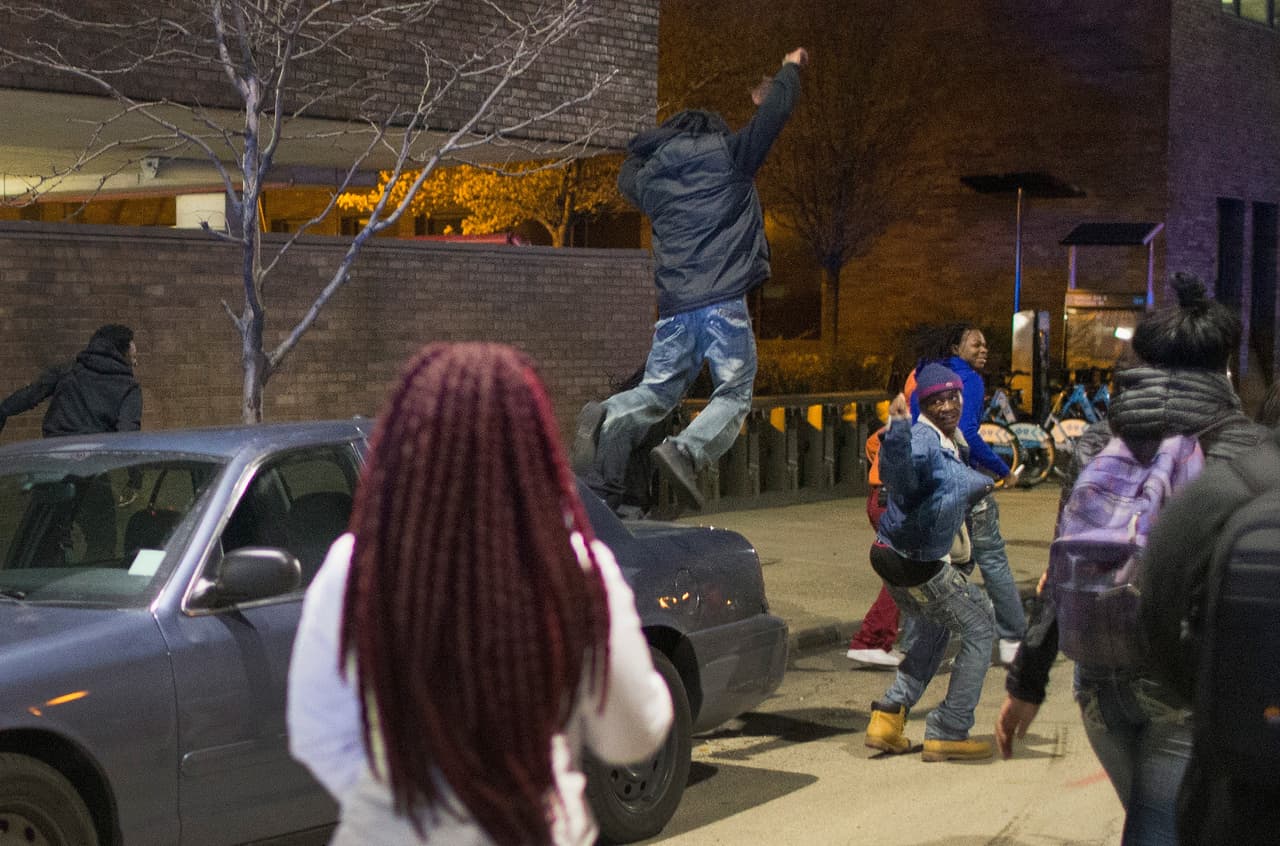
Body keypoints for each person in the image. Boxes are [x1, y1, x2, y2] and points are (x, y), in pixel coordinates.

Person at [286, 342, 674, 846]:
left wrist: (400, 799)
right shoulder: (576, 569)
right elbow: (633, 734)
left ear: (405, 446)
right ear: (533, 450)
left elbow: (316, 731)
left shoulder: (354, 567)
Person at [996, 272, 1267, 844]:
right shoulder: (1244, 444)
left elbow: (1062, 567)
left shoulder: (1099, 442)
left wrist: (1027, 682)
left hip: (1099, 673)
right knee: (1162, 825)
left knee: (1154, 819)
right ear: (1223, 368)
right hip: (1184, 679)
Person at [573, 48, 808, 514]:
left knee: (656, 392)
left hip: (676, 310)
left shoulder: (650, 182)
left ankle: (607, 413)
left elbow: (626, 174)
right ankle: (684, 451)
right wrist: (790, 68)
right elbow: (777, 113)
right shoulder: (733, 156)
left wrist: (648, 145)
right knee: (734, 394)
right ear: (714, 133)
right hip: (723, 304)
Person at [862, 363, 998, 762]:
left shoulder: (951, 440)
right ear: (923, 404)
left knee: (935, 628)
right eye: (936, 400)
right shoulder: (922, 438)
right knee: (981, 624)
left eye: (953, 397)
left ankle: (887, 719)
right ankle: (950, 730)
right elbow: (900, 473)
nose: (947, 406)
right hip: (915, 561)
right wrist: (898, 431)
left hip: (896, 556)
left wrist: (990, 479)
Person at [929, 323, 1025, 666]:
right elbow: (967, 432)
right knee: (992, 558)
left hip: (934, 480)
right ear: (957, 348)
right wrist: (1002, 470)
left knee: (938, 563)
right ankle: (1013, 637)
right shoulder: (968, 379)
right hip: (965, 481)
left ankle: (921, 643)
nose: (983, 350)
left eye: (985, 345)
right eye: (976, 345)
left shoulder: (928, 376)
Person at [0, 323, 141, 437]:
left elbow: (30, 395)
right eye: (133, 357)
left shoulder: (67, 370)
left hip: (55, 447)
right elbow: (127, 433)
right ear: (120, 354)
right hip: (98, 453)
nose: (135, 363)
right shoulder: (130, 387)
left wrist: (3, 410)